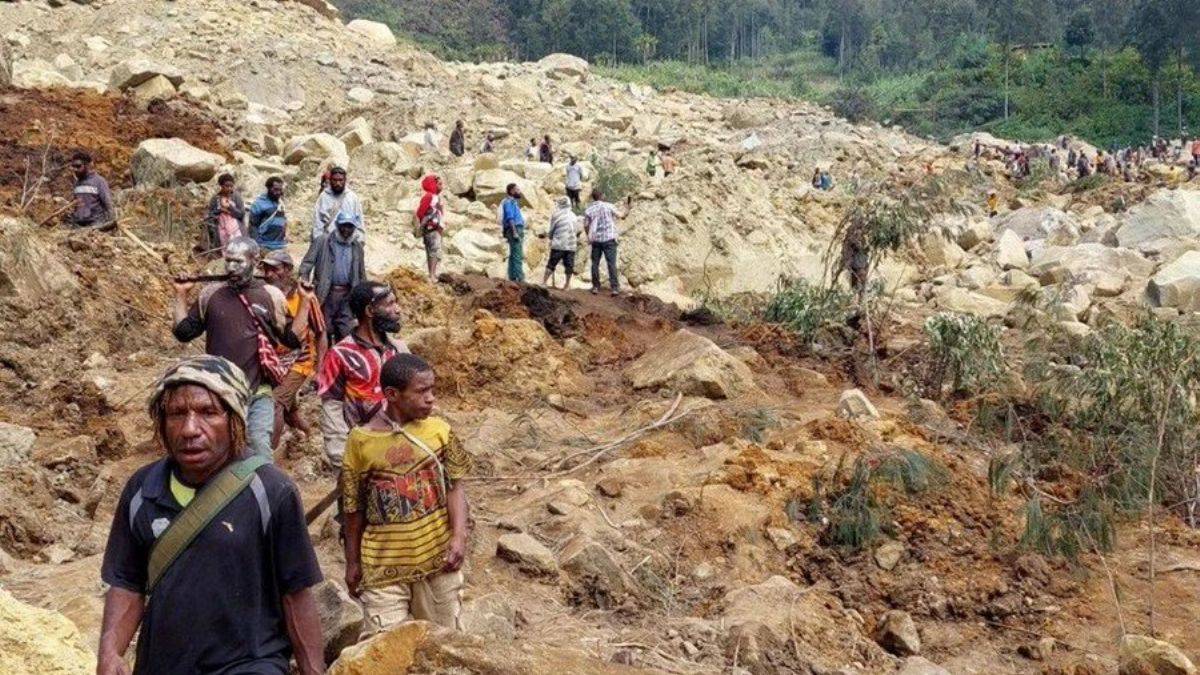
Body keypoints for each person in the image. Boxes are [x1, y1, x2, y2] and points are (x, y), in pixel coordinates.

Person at [98, 355, 324, 675]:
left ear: (234, 420)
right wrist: (109, 653)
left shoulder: (272, 491)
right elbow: (127, 583)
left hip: (250, 664)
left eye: (208, 412)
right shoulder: (141, 489)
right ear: (161, 423)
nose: (190, 429)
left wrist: (313, 671)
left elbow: (296, 594)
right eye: (177, 414)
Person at [342, 353, 472, 632]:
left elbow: (455, 486)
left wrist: (459, 537)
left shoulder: (440, 431)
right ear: (392, 394)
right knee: (384, 650)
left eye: (432, 390)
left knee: (446, 646)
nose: (431, 398)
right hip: (382, 569)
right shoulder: (361, 441)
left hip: (438, 562)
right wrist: (352, 561)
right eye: (422, 391)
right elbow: (353, 507)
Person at [173, 237, 303, 460]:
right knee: (221, 450)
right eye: (228, 261)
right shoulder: (210, 294)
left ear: (254, 261)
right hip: (219, 391)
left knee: (259, 445)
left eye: (238, 262)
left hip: (257, 390)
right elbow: (183, 333)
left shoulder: (271, 296)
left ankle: (264, 493)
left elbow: (291, 339)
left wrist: (307, 302)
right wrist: (181, 293)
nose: (232, 267)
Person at [316, 281, 408, 465]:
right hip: (362, 453)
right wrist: (341, 459)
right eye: (390, 304)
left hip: (401, 448)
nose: (397, 310)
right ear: (369, 311)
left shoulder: (399, 350)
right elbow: (332, 408)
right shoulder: (340, 355)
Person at [261, 251, 325, 448]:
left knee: (276, 403)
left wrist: (320, 369)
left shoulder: (304, 296)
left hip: (300, 361)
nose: (269, 274)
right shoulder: (263, 294)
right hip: (272, 362)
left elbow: (321, 332)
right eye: (266, 269)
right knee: (289, 411)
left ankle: (266, 457)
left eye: (275, 269)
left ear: (288, 270)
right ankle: (308, 437)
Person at [299, 213, 366, 343]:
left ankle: (341, 358)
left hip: (348, 294)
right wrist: (304, 281)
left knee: (346, 329)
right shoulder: (322, 241)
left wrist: (363, 295)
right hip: (326, 293)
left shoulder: (357, 247)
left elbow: (361, 273)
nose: (346, 230)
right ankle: (325, 359)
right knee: (324, 329)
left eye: (350, 227)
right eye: (343, 226)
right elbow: (307, 264)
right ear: (337, 225)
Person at [583, 188, 626, 296]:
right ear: (601, 196)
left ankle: (595, 287)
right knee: (611, 264)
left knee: (595, 263)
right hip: (609, 239)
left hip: (596, 240)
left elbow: (586, 225)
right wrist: (628, 208)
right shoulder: (609, 206)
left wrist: (589, 235)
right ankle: (615, 288)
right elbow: (622, 216)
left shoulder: (589, 209)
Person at [312, 166, 363, 242]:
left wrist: (360, 241)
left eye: (340, 180)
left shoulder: (352, 198)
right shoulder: (323, 197)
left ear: (345, 180)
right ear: (330, 180)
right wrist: (318, 242)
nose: (338, 183)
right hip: (328, 242)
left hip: (348, 243)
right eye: (335, 180)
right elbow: (317, 222)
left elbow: (359, 222)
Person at [541, 196, 580, 289]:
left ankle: (544, 282)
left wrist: (550, 237)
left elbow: (552, 229)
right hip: (571, 244)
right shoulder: (574, 216)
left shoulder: (556, 215)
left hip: (559, 243)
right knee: (569, 266)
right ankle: (567, 285)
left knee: (552, 263)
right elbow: (576, 230)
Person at [68, 150, 114, 228]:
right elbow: (75, 205)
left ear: (87, 165)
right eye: (73, 166)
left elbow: (108, 203)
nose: (75, 169)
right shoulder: (77, 183)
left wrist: (112, 223)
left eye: (78, 166)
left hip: (95, 225)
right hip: (78, 226)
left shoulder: (99, 181)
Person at [415, 174, 446, 281]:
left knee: (432, 250)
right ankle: (432, 275)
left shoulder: (436, 197)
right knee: (434, 250)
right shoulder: (429, 196)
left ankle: (431, 274)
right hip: (431, 228)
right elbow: (420, 212)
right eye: (440, 184)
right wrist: (428, 221)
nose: (442, 186)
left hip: (436, 228)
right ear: (433, 185)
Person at [205, 173, 245, 252]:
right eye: (227, 186)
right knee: (225, 248)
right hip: (221, 227)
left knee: (237, 248)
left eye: (231, 186)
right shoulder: (215, 198)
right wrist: (220, 211)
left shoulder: (236, 197)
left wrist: (230, 207)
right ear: (221, 186)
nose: (229, 188)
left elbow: (241, 214)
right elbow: (210, 215)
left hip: (236, 227)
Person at [248, 176, 289, 251]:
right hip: (264, 246)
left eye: (280, 190)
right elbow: (253, 226)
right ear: (268, 188)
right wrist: (257, 244)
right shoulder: (259, 204)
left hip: (280, 245)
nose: (278, 193)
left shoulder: (281, 203)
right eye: (275, 189)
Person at [500, 183, 527, 282]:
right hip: (514, 229)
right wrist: (515, 232)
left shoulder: (513, 202)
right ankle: (519, 277)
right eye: (517, 189)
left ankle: (512, 276)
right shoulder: (508, 202)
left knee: (513, 254)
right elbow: (510, 218)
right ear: (512, 191)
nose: (519, 191)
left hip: (515, 229)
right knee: (517, 254)